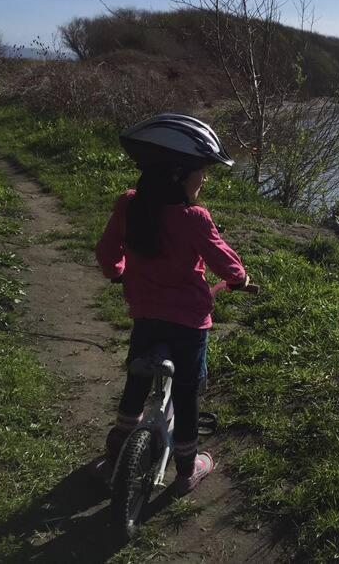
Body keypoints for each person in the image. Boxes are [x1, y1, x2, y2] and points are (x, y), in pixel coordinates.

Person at [95, 113, 247, 494]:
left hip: (145, 314)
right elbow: (223, 260)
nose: (205, 178)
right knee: (186, 391)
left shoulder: (129, 204)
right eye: (201, 171)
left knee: (137, 376)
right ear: (179, 174)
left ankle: (119, 442)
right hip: (188, 324)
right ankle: (186, 469)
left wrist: (118, 272)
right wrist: (239, 279)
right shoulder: (194, 217)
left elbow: (107, 251)